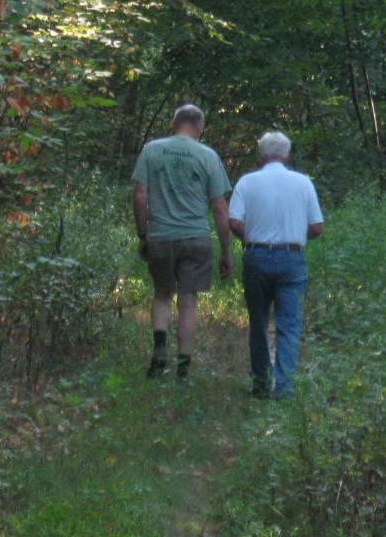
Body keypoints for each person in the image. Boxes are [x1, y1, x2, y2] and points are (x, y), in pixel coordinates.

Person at [132, 104, 233, 380]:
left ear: (173, 123)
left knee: (163, 294)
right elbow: (220, 207)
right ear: (200, 127)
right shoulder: (208, 156)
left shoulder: (152, 150)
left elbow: (140, 195)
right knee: (189, 301)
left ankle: (159, 351)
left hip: (161, 236)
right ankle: (183, 369)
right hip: (195, 237)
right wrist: (226, 251)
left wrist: (143, 234)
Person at [228, 131, 323, 399]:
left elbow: (233, 221)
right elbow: (317, 227)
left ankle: (260, 383)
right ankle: (284, 389)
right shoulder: (303, 183)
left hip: (256, 257)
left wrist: (252, 237)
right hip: (292, 259)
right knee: (289, 326)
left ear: (260, 155)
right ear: (287, 155)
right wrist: (292, 234)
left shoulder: (247, 182)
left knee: (258, 322)